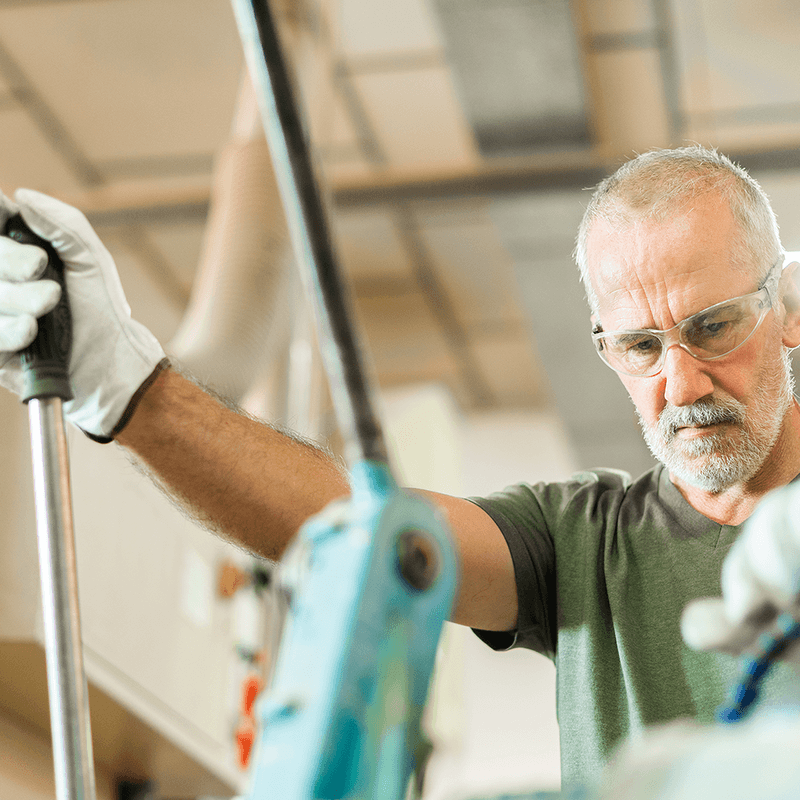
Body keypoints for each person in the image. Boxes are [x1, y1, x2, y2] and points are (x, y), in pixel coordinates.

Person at [1, 145, 799, 787]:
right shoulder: (581, 542)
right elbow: (357, 532)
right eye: (640, 346)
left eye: (716, 326)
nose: (682, 382)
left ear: (788, 312)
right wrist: (126, 387)